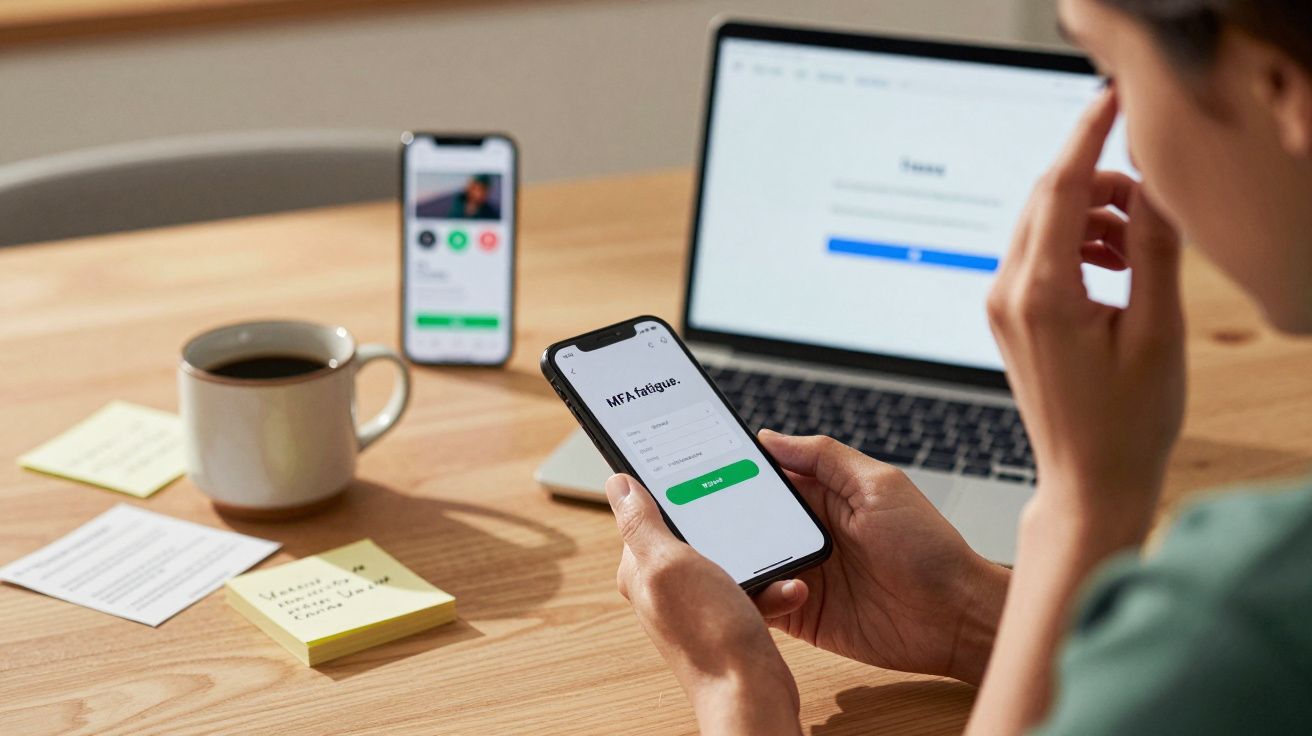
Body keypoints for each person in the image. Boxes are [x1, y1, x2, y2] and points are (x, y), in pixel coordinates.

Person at [602, 0, 1312, 733]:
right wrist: (968, 616)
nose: (1123, 149)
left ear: (1279, 89)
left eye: (1112, 76)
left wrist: (735, 685)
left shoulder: (1251, 604)